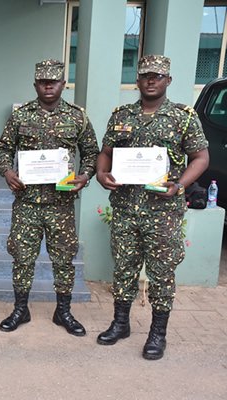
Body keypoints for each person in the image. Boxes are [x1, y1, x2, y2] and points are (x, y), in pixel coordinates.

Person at [96, 55, 209, 360]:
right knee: (123, 269)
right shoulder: (121, 115)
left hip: (163, 212)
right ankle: (120, 324)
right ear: (138, 80)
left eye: (157, 75)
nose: (150, 79)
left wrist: (180, 185)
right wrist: (100, 173)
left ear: (167, 80)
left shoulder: (183, 117)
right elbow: (105, 152)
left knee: (161, 274)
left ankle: (158, 333)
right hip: (125, 208)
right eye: (145, 74)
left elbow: (200, 158)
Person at [0, 59, 98, 336]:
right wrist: (7, 171)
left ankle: (63, 311)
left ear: (63, 84)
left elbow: (91, 152)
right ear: (36, 85)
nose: (48, 86)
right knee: (22, 257)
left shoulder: (77, 116)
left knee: (64, 258)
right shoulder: (20, 116)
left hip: (61, 204)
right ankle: (21, 308)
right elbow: (3, 149)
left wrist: (85, 176)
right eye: (43, 81)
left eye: (54, 81)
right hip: (27, 202)